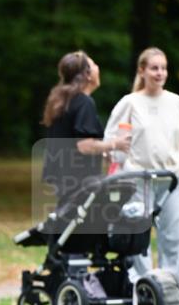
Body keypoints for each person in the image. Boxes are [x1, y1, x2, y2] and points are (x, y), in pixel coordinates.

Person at [104, 47, 179, 303]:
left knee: (175, 239)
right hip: (137, 179)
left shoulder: (177, 103)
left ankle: (178, 295)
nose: (160, 73)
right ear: (142, 71)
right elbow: (111, 142)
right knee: (137, 240)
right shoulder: (130, 103)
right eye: (154, 68)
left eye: (163, 68)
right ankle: (142, 294)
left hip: (172, 179)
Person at [41, 50, 131, 206]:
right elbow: (84, 145)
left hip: (64, 179)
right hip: (79, 181)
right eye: (94, 64)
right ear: (87, 75)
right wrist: (116, 144)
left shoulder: (62, 101)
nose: (98, 67)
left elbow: (69, 142)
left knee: (68, 224)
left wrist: (101, 152)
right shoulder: (84, 102)